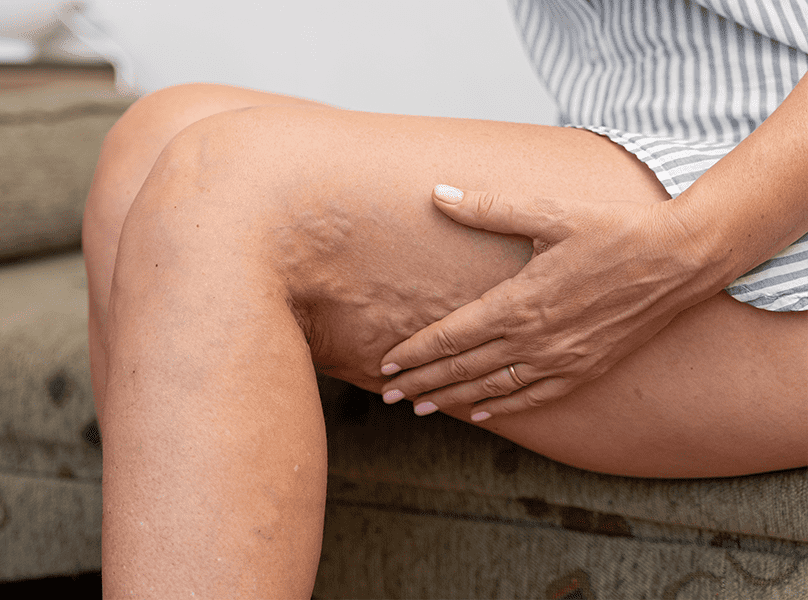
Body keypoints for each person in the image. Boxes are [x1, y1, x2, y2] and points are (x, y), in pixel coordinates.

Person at [82, 0, 807, 597]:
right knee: (149, 143)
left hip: (767, 202)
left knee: (224, 188)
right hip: (640, 143)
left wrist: (685, 246)